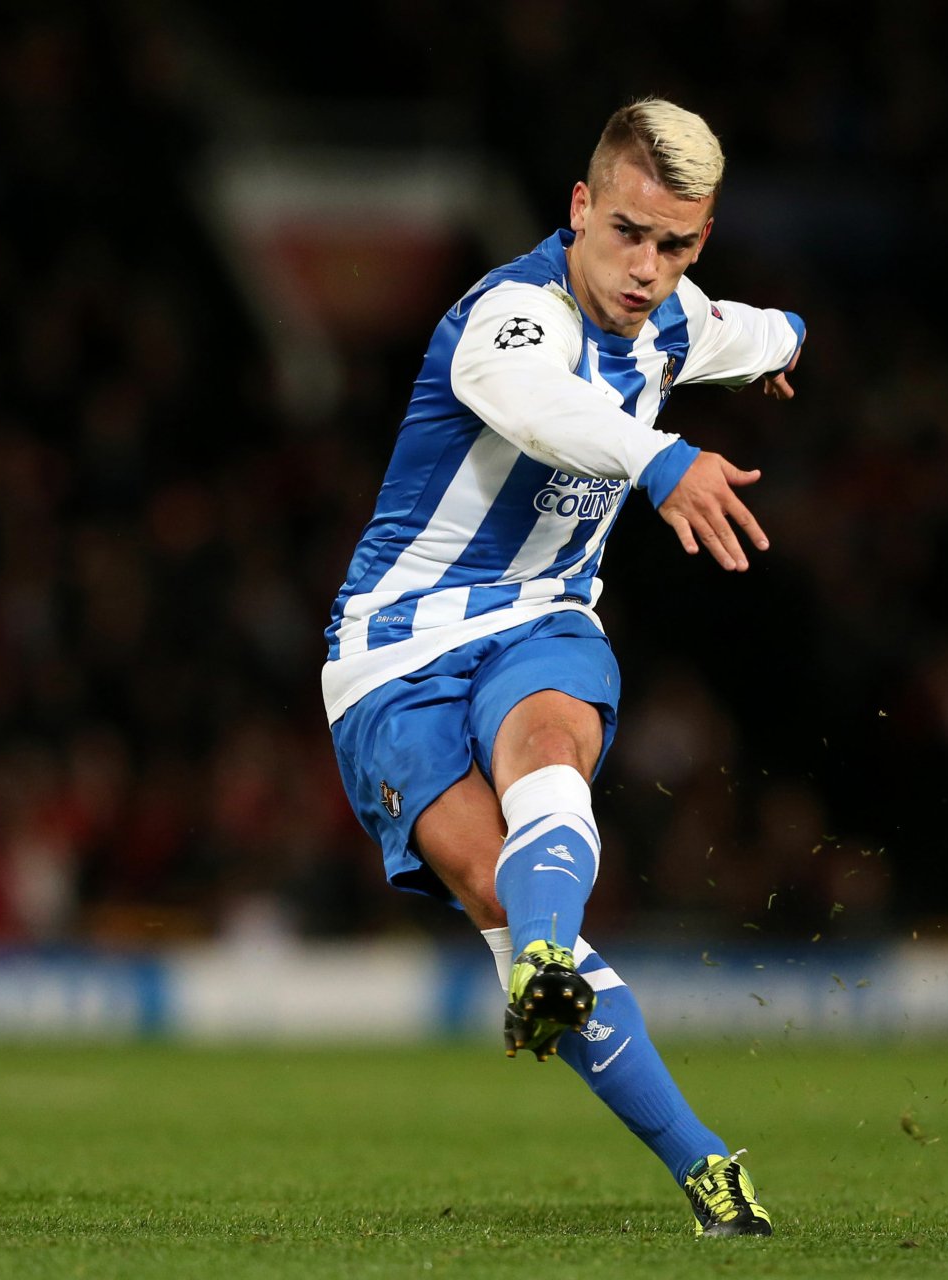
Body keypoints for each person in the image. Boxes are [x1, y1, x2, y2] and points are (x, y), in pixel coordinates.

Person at [322, 97, 802, 1238]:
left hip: (541, 616)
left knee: (549, 742)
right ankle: (546, 952)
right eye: (627, 232)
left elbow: (765, 327)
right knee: (497, 884)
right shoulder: (509, 318)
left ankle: (708, 1178)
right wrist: (664, 455)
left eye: (676, 244)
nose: (647, 268)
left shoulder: (678, 319)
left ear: (701, 238)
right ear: (580, 208)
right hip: (393, 653)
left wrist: (783, 352)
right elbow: (546, 414)